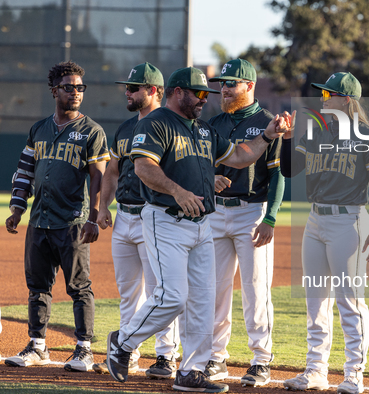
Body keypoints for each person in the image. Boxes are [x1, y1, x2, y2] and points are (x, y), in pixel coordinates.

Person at [104, 66, 291, 393]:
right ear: (178, 92)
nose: (206, 99)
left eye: (208, 94)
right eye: (200, 93)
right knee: (173, 297)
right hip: (166, 219)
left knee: (204, 301)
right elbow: (144, 166)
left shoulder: (203, 129)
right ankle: (123, 342)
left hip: (203, 223)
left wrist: (266, 136)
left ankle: (191, 371)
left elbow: (240, 157)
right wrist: (178, 190)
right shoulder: (155, 123)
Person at [281, 72, 369, 394]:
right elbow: (289, 170)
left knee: (350, 301)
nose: (323, 99)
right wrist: (286, 138)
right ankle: (315, 370)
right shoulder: (315, 134)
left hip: (349, 222)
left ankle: (354, 373)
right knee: (316, 300)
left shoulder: (368, 136)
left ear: (347, 100)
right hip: (315, 221)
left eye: (330, 95)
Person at [4, 61, 109, 372]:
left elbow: (98, 178)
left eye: (80, 87)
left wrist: (93, 217)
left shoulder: (92, 130)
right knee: (37, 286)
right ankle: (37, 346)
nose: (75, 92)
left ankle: (84, 349)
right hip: (39, 221)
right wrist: (17, 208)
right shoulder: (38, 129)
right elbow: (24, 171)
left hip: (72, 222)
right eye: (68, 87)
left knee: (79, 287)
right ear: (54, 91)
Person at [92, 63, 180, 379]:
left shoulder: (170, 125)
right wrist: (103, 207)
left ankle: (166, 356)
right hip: (124, 217)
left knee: (160, 291)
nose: (126, 92)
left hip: (154, 217)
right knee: (129, 292)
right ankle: (126, 354)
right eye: (127, 87)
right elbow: (113, 171)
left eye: (133, 88)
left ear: (153, 91)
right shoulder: (126, 128)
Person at [203, 58, 284, 387]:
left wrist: (272, 217)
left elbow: (278, 175)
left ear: (249, 86)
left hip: (252, 212)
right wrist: (211, 177)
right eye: (222, 83)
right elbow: (201, 167)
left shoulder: (269, 123)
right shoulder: (215, 123)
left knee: (255, 288)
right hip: (217, 213)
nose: (224, 88)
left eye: (231, 83)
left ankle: (261, 359)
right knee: (215, 290)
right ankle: (216, 357)